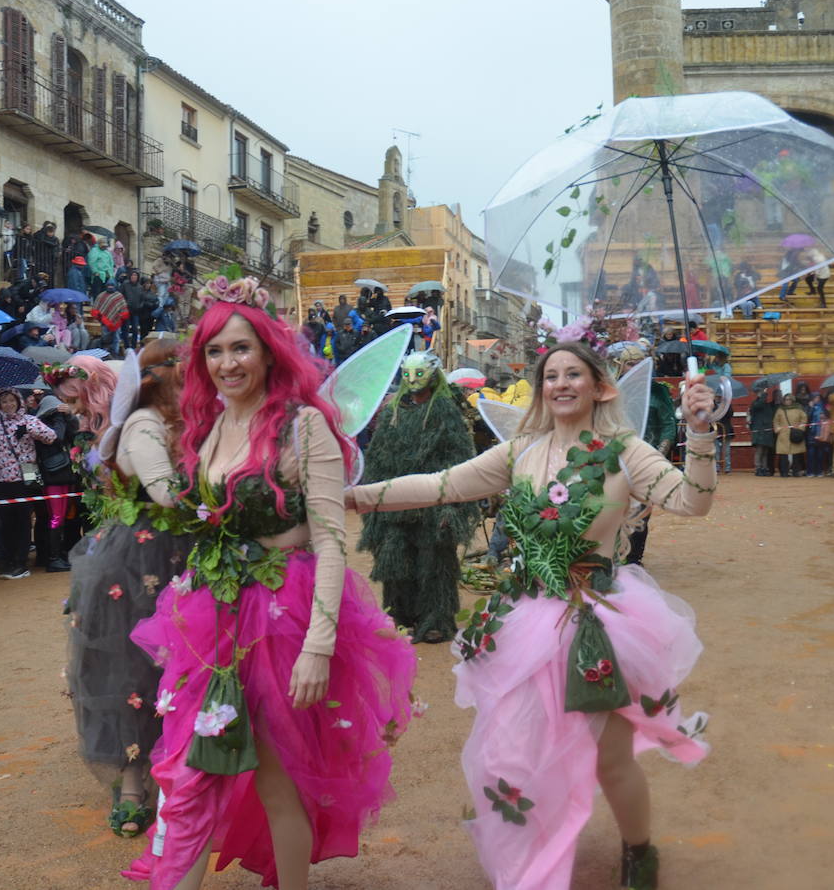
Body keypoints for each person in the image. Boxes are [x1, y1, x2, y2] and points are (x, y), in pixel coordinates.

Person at [349, 341, 716, 890]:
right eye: (551, 376)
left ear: (600, 387)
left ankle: (639, 850)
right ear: (542, 388)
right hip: (524, 621)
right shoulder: (521, 451)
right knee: (511, 749)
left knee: (611, 762)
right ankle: (526, 842)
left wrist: (702, 432)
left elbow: (693, 501)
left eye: (574, 375)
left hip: (598, 621)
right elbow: (440, 485)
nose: (562, 384)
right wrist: (355, 496)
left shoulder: (625, 451)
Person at [124, 276, 417, 890]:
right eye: (215, 351)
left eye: (241, 349)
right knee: (189, 769)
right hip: (211, 614)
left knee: (278, 779)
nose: (228, 363)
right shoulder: (204, 427)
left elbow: (332, 541)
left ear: (268, 352)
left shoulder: (305, 426)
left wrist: (318, 645)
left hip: (284, 617)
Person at [50, 346, 192, 838]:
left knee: (191, 668)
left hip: (189, 553)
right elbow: (169, 494)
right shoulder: (142, 423)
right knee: (132, 672)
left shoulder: (199, 421)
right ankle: (132, 784)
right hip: (141, 564)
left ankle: (195, 777)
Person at [359, 351, 480, 642]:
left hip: (433, 504)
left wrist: (452, 506)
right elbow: (377, 457)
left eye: (420, 373)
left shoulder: (444, 410)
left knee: (434, 564)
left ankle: (436, 619)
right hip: (396, 504)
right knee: (395, 562)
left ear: (433, 374)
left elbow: (459, 458)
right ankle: (401, 616)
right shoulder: (393, 412)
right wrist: (374, 502)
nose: (413, 380)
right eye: (407, 374)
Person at [0, 388, 56, 579]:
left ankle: (21, 561)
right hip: (0, 477)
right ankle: (8, 559)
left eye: (12, 401)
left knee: (24, 519)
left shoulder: (29, 420)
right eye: (4, 402)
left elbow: (51, 437)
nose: (8, 405)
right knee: (5, 521)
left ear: (18, 402)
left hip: (27, 474)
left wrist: (28, 430)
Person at [610, 341, 677, 564]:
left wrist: (658, 455)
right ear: (618, 365)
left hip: (646, 460)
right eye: (630, 364)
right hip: (612, 461)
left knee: (640, 515)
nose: (635, 368)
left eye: (639, 364)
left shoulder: (657, 391)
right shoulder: (607, 392)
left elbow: (668, 425)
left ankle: (634, 560)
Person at [30, 395, 77, 573]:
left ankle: (57, 555)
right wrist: (58, 418)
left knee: (61, 517)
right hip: (51, 477)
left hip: (63, 475)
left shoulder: (62, 421)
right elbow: (57, 437)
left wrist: (69, 416)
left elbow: (74, 433)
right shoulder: (39, 425)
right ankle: (53, 558)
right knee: (55, 517)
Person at [773, 391, 808, 477]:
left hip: (795, 433)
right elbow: (776, 421)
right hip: (783, 434)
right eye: (785, 399)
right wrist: (777, 429)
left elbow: (804, 419)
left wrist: (800, 429)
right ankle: (784, 472)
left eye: (789, 399)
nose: (787, 401)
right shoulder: (780, 410)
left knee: (796, 454)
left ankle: (796, 471)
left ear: (792, 400)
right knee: (783, 455)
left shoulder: (798, 409)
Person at [748, 386, 778, 476]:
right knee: (760, 450)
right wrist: (764, 393)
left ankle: (764, 468)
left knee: (765, 451)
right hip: (759, 430)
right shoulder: (755, 403)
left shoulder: (766, 405)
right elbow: (760, 404)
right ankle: (758, 468)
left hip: (766, 430)